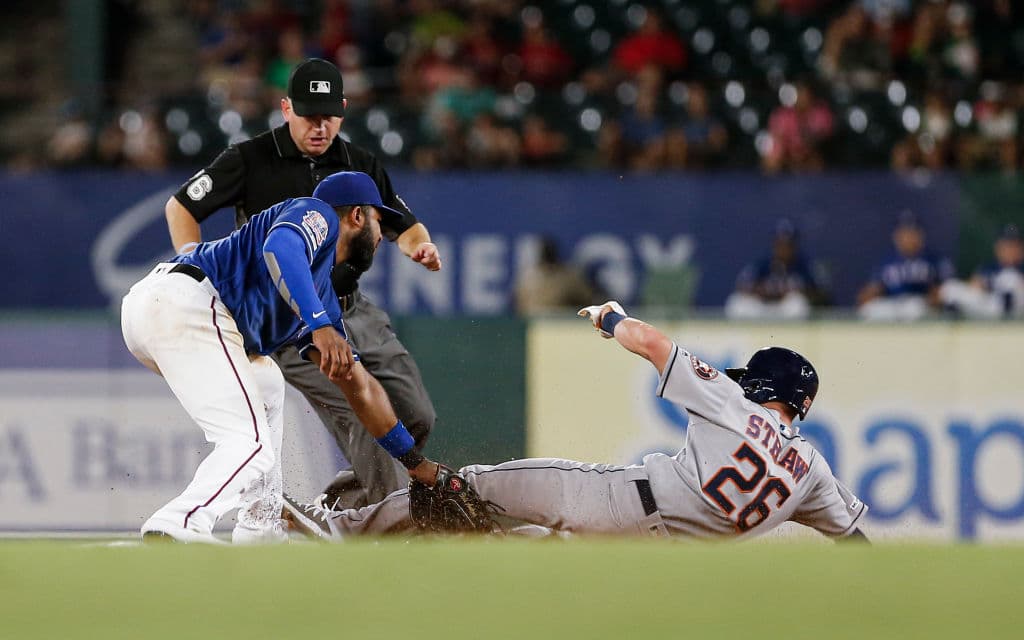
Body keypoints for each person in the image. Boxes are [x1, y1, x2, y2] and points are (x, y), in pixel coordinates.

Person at [283, 301, 869, 543]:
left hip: (624, 501)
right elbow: (855, 539)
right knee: (530, 545)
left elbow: (653, 343)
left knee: (465, 487)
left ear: (761, 387)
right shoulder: (811, 470)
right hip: (661, 563)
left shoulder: (735, 405)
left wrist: (611, 319)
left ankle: (340, 530)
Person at [165, 58, 441, 511]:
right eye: (309, 115)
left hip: (351, 307)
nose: (319, 126)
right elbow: (181, 207)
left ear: (343, 111)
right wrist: (192, 261)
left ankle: (338, 509)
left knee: (414, 414)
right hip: (293, 320)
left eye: (328, 116)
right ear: (286, 108)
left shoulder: (358, 163)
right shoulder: (250, 158)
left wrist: (420, 246)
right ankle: (392, 522)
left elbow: (404, 225)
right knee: (358, 411)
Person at [124, 171, 445, 544]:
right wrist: (318, 323)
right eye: (378, 222)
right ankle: (181, 521)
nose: (380, 237)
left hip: (168, 312)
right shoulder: (318, 214)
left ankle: (261, 525)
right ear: (357, 215)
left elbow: (359, 385)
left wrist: (415, 463)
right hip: (184, 301)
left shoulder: (320, 294)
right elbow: (280, 246)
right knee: (248, 443)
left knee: (268, 383)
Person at [858, 211, 954, 321]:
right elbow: (870, 292)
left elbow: (945, 291)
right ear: (896, 236)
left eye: (913, 233)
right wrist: (869, 297)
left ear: (921, 235)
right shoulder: (887, 262)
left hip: (919, 304)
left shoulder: (934, 260)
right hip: (894, 306)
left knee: (914, 308)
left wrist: (930, 301)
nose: (908, 237)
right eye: (904, 233)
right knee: (870, 310)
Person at [725, 219, 823, 320]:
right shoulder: (762, 265)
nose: (784, 249)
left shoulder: (804, 266)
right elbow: (742, 286)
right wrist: (765, 292)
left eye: (788, 245)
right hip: (762, 308)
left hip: (785, 310)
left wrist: (796, 292)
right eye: (780, 244)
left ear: (795, 246)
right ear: (774, 245)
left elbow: (820, 293)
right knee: (736, 303)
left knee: (798, 304)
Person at [940, 223, 1024, 319]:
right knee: (950, 287)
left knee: (1010, 277)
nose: (1010, 250)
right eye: (1006, 245)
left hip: (1016, 309)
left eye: (1014, 246)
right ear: (998, 247)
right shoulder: (988, 268)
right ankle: (954, 318)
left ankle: (1005, 316)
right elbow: (974, 288)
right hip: (989, 304)